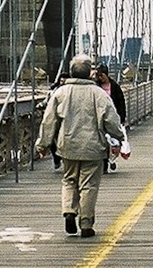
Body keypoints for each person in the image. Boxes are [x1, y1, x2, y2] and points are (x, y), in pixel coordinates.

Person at [36, 55, 126, 237]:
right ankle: (86, 224)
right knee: (89, 185)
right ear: (89, 74)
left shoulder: (60, 93)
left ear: (71, 72)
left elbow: (49, 121)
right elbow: (111, 120)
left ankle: (69, 210)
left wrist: (43, 145)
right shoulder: (99, 94)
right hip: (93, 147)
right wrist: (119, 137)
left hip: (68, 146)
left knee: (69, 180)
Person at [95, 63, 128, 173]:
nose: (100, 78)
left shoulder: (114, 86)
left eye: (102, 75)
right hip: (99, 118)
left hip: (112, 117)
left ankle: (112, 159)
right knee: (103, 141)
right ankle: (104, 165)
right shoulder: (95, 87)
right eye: (98, 75)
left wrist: (122, 117)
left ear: (107, 74)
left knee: (113, 141)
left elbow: (121, 102)